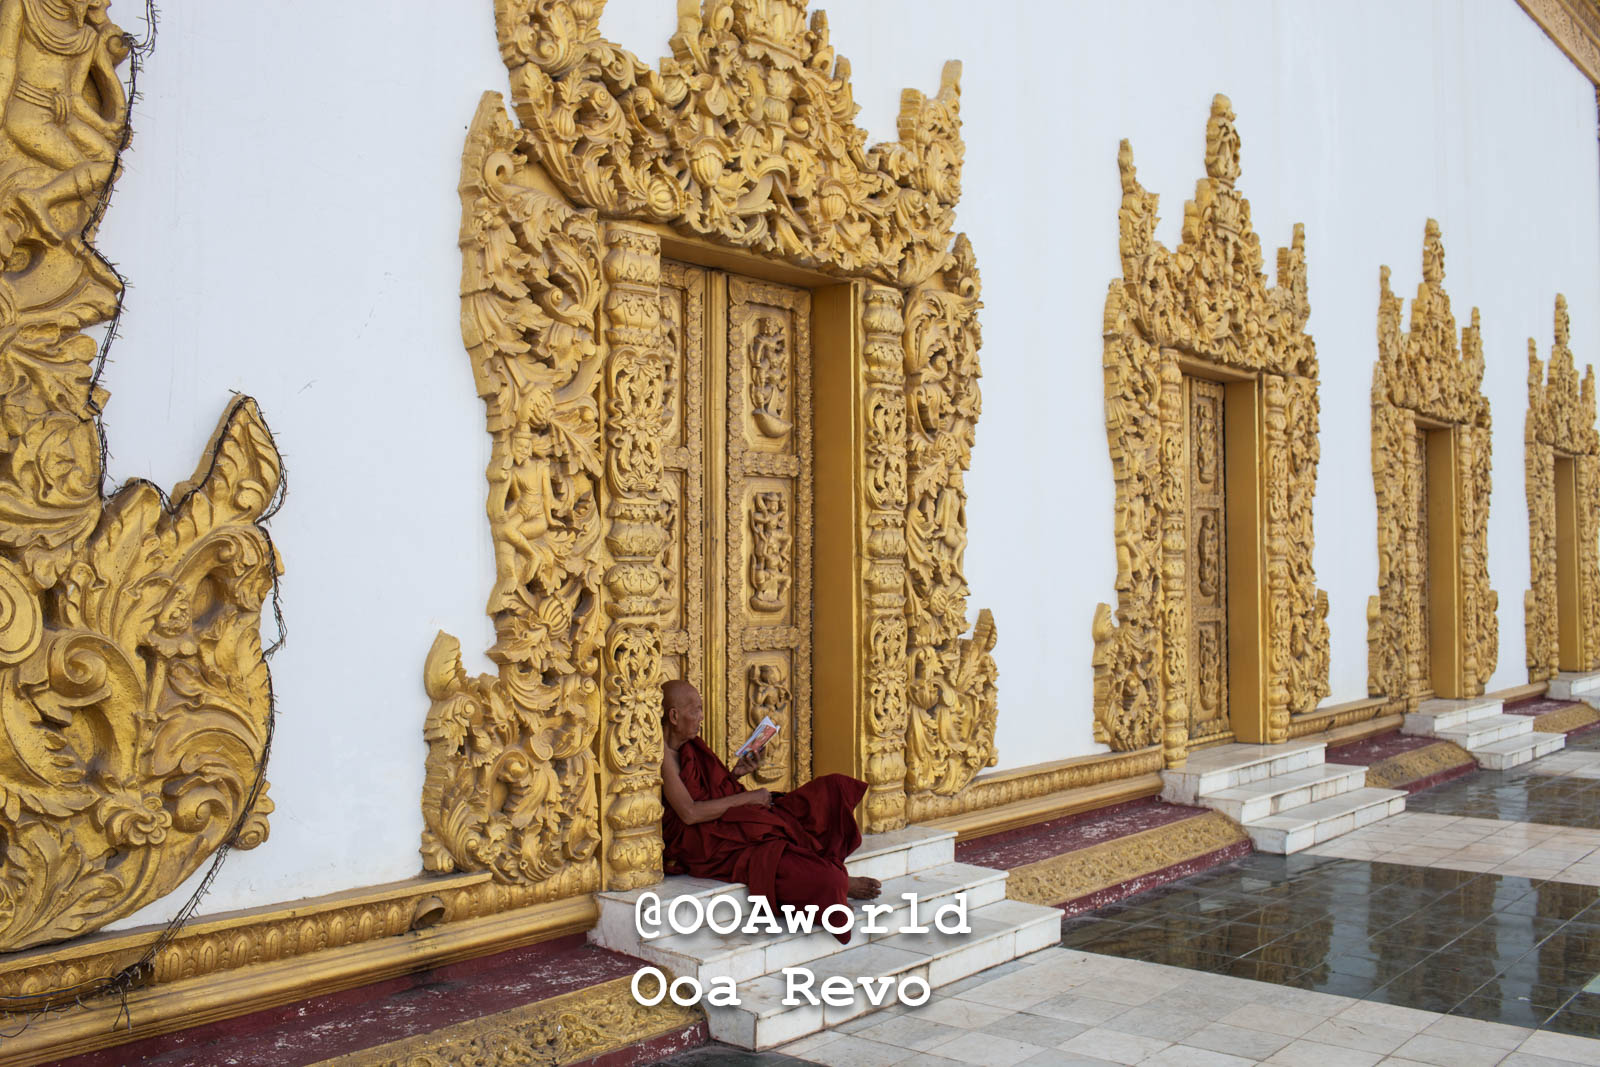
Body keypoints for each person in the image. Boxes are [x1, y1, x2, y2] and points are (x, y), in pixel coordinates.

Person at [659, 679, 880, 943]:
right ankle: (840, 884)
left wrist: (736, 774)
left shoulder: (692, 748)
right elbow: (690, 813)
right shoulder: (662, 755)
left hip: (729, 821)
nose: (701, 717)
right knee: (794, 861)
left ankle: (834, 879)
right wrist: (749, 799)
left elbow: (710, 793)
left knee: (829, 792)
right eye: (695, 710)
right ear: (673, 716)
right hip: (708, 841)